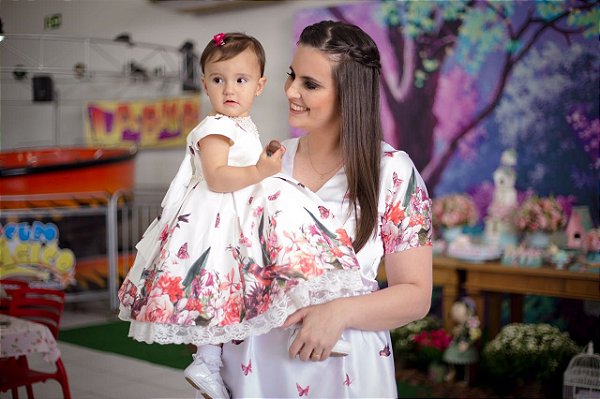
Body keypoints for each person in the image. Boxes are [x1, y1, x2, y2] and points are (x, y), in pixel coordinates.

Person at [117, 32, 364, 399]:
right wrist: (260, 172)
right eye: (218, 80)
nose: (229, 89)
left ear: (260, 85)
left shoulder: (239, 125)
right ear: (204, 84)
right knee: (217, 287)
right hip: (217, 220)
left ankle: (302, 322)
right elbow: (217, 177)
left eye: (241, 80)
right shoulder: (213, 127)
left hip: (238, 214)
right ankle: (207, 363)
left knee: (275, 265)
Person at [220, 20, 433, 397]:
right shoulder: (266, 162)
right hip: (257, 362)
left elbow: (416, 294)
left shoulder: (393, 172)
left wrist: (339, 312)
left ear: (348, 95)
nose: (290, 91)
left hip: (345, 366)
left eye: (310, 84)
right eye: (292, 76)